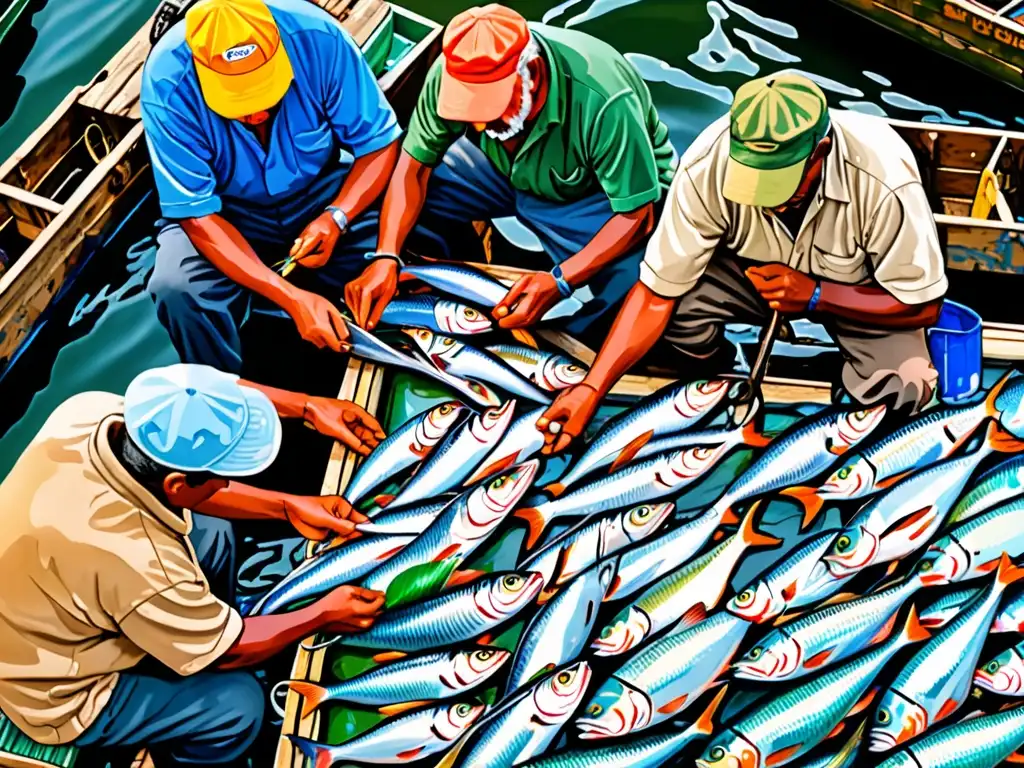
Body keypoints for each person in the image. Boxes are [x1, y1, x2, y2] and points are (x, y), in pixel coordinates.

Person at [0, 364, 388, 766]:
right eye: (221, 478)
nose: (225, 484)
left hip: (45, 603)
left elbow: (203, 410)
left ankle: (195, 630)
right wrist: (321, 614)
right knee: (238, 706)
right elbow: (230, 654)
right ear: (176, 485)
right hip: (56, 688)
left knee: (212, 531)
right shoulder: (136, 559)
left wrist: (287, 505)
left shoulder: (89, 414)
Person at [537, 73, 948, 451]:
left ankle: (856, 424)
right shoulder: (706, 164)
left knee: (908, 382)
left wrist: (816, 296)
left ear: (820, 153)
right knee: (676, 304)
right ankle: (717, 372)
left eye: (783, 181)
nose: (770, 200)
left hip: (859, 290)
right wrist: (592, 388)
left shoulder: (886, 179)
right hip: (752, 273)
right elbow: (657, 291)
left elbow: (922, 305)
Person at [343, 3, 675, 337]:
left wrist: (561, 280)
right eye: (467, 108)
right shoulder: (450, 72)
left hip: (595, 195)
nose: (478, 122)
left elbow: (637, 216)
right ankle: (430, 266)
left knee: (637, 280)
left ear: (532, 73)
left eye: (491, 106)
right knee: (387, 193)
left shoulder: (605, 100)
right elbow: (412, 170)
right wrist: (386, 253)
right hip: (498, 169)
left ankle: (570, 340)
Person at [142, 0, 403, 373]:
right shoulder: (167, 81)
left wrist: (337, 217)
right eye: (239, 104)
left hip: (322, 192)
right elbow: (198, 215)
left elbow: (378, 144)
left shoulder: (320, 37)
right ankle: (231, 396)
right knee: (176, 286)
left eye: (266, 94)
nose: (258, 115)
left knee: (405, 229)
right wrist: (291, 297)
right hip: (226, 213)